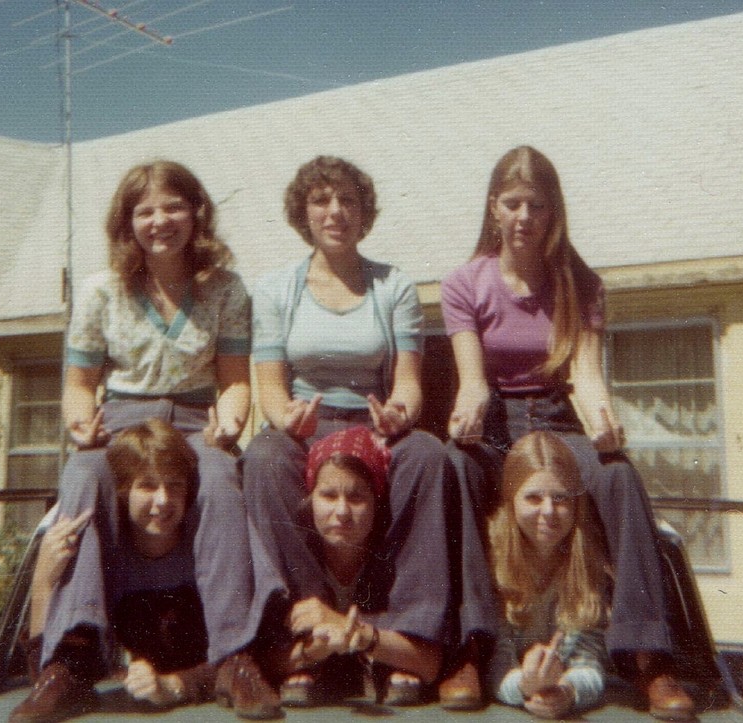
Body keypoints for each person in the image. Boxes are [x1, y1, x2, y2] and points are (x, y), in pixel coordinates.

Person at [11, 161, 283, 722]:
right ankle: (72, 659)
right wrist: (81, 423)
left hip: (194, 420)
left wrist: (229, 425)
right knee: (83, 474)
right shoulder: (101, 291)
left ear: (196, 214)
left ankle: (235, 656)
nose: (161, 221)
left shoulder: (225, 289)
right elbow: (79, 385)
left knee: (219, 476)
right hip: (122, 423)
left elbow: (235, 380)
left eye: (174, 207)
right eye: (146, 211)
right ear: (127, 222)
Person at [442, 146, 695, 721]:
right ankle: (471, 648)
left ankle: (649, 659)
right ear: (493, 208)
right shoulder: (464, 283)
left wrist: (604, 421)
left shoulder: (581, 284)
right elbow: (472, 379)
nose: (524, 217)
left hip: (559, 419)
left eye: (537, 205)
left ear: (554, 212)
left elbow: (586, 375)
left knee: (618, 475)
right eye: (513, 204)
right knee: (452, 464)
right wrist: (468, 408)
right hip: (497, 417)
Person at [241, 155, 489, 708]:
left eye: (347, 201)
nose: (335, 212)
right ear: (303, 213)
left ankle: (408, 638)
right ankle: (305, 630)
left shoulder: (392, 286)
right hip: (306, 426)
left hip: (372, 425)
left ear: (364, 213)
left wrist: (399, 413)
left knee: (427, 454)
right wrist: (287, 419)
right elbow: (271, 389)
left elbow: (408, 383)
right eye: (321, 200)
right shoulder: (277, 289)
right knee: (262, 458)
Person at [23, 420, 216, 712]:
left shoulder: (206, 549)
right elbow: (44, 674)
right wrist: (42, 580)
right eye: (148, 485)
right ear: (124, 492)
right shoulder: (101, 557)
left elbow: (235, 653)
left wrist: (173, 685)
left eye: (174, 485)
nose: (163, 500)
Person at [268, 426, 442, 707]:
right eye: (328, 496)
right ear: (311, 499)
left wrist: (349, 629)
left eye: (357, 498)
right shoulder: (299, 558)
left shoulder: (390, 557)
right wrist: (314, 650)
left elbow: (429, 663)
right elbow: (266, 660)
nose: (342, 512)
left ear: (376, 502)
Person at [488, 431, 611, 719]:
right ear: (511, 500)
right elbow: (494, 665)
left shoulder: (587, 560)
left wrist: (567, 691)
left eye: (560, 498)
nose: (548, 511)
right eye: (533, 498)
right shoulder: (491, 558)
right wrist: (525, 685)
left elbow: (590, 662)